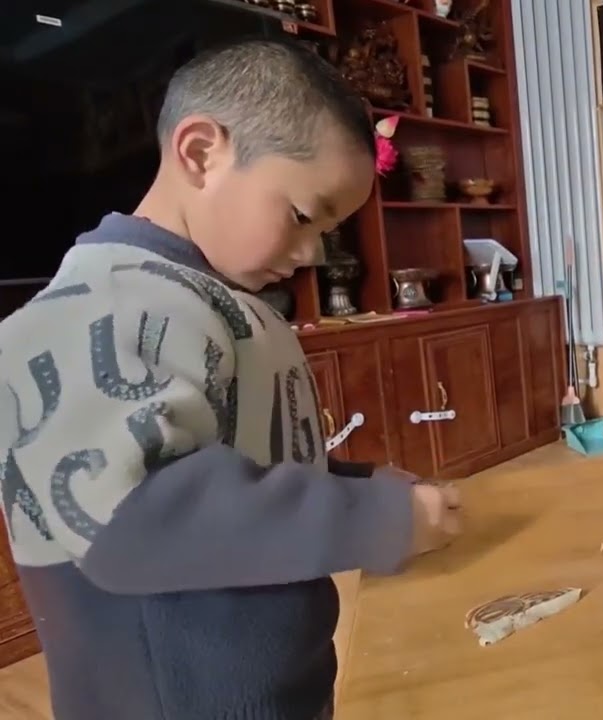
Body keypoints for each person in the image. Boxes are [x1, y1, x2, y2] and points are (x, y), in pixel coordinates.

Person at [0, 39, 461, 719]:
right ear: (200, 153)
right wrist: (375, 519)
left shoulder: (201, 300)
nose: (309, 254)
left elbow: (231, 467)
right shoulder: (107, 305)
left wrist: (353, 486)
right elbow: (137, 516)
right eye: (304, 216)